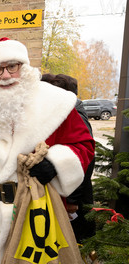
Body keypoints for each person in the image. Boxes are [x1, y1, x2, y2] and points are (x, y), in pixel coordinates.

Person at [0, 37, 95, 264]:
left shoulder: (56, 102)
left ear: (24, 67)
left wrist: (56, 164)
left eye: (12, 66)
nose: (5, 75)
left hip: (36, 207)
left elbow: (83, 145)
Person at [41, 73, 96, 243]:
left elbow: (85, 159)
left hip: (75, 197)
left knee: (71, 243)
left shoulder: (74, 116)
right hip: (70, 193)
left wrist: (72, 200)